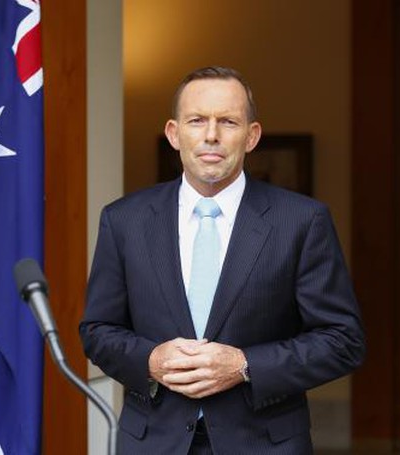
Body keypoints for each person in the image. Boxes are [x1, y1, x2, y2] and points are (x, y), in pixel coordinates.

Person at [80, 66, 365, 455]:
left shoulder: (301, 221)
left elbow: (342, 340)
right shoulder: (124, 220)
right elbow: (97, 330)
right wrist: (150, 359)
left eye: (228, 121)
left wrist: (245, 365)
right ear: (173, 133)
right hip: (152, 443)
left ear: (251, 136)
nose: (211, 135)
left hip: (265, 444)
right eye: (197, 120)